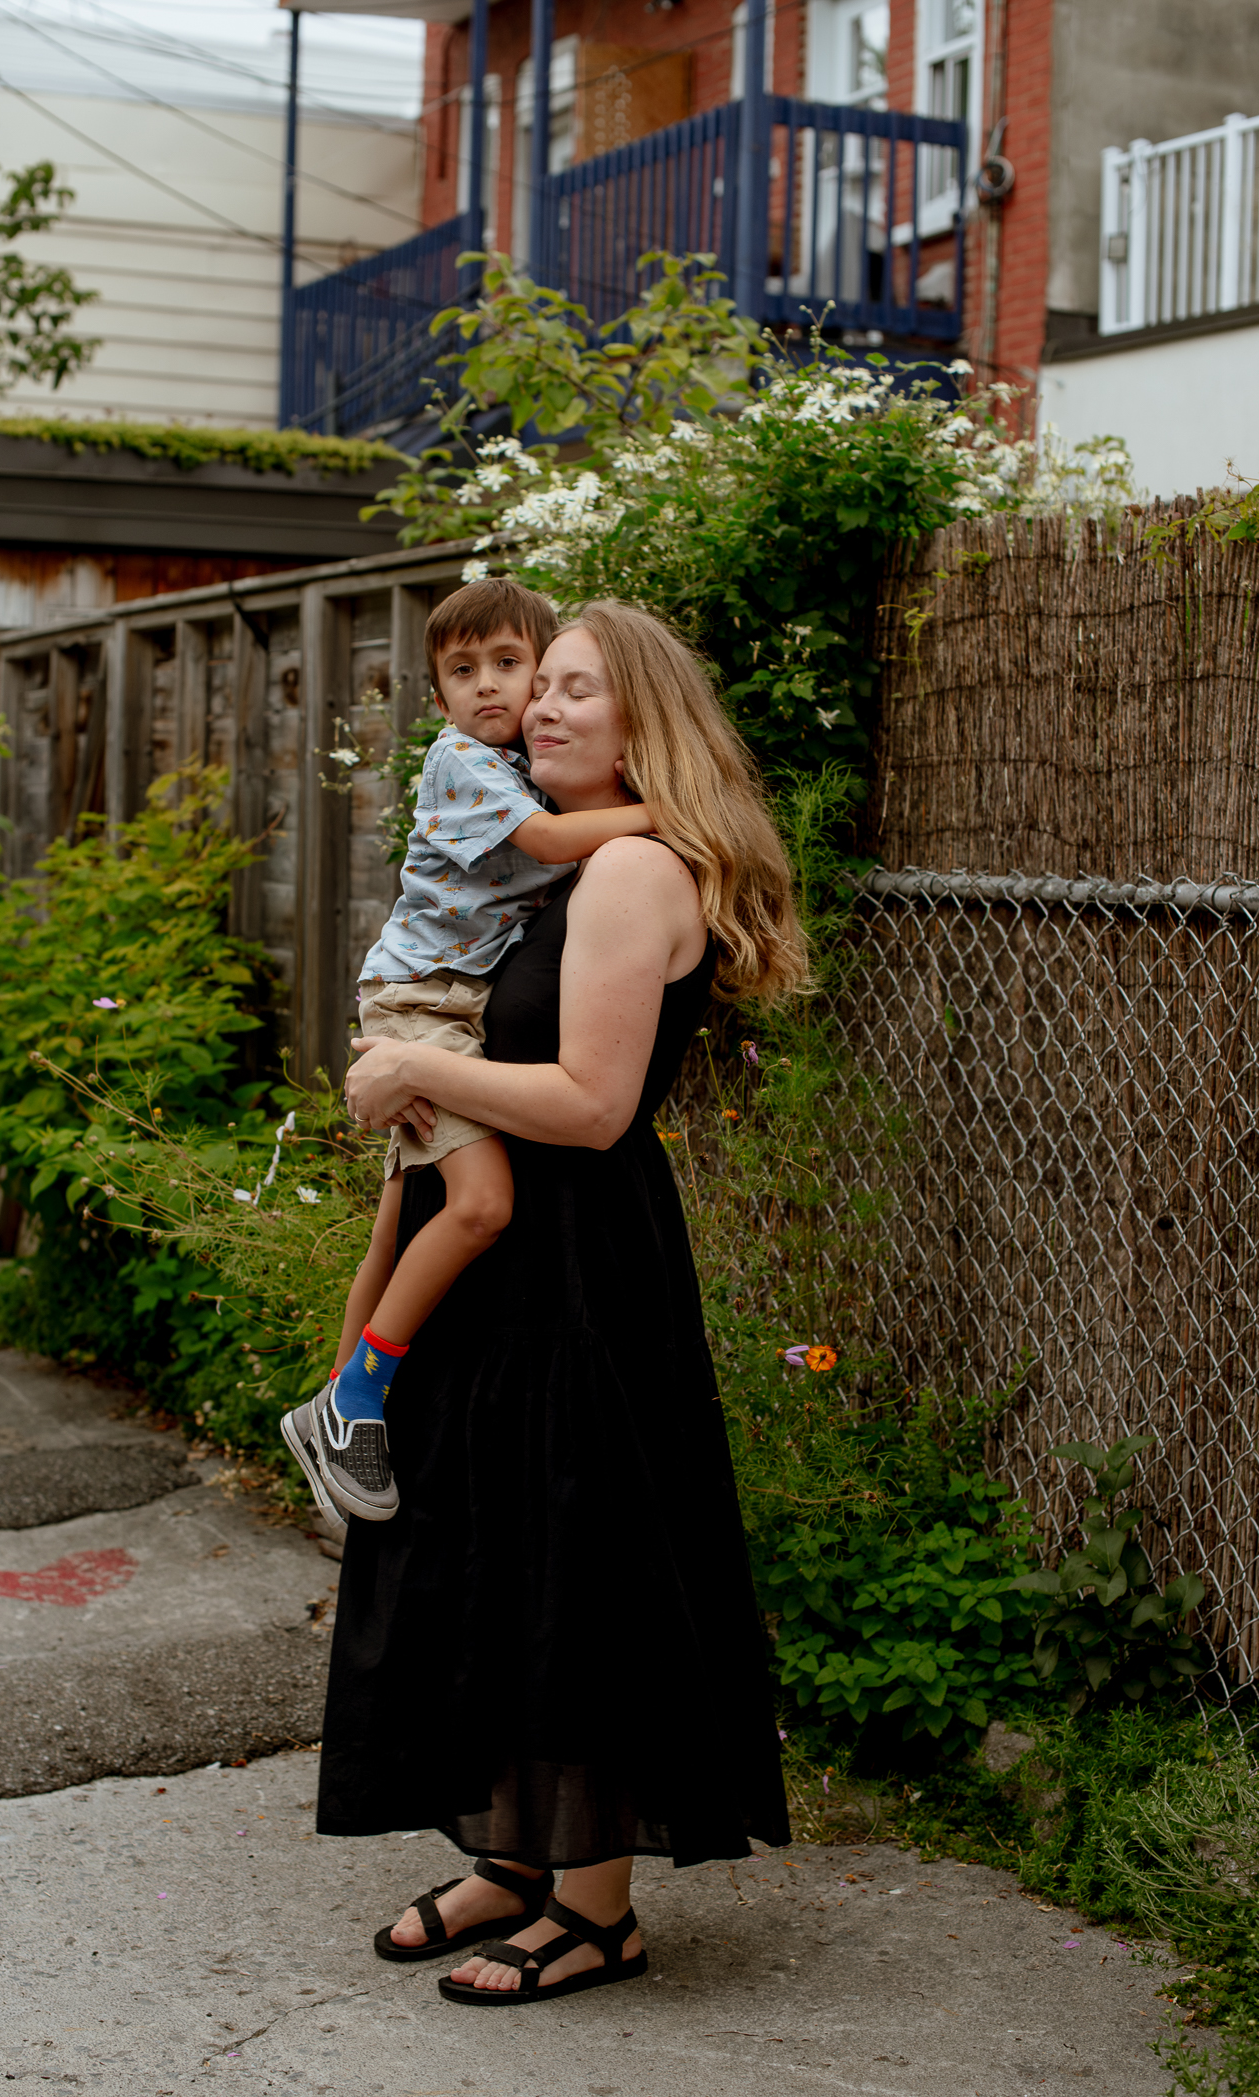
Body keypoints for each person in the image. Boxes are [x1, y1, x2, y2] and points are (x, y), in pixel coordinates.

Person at [317, 600, 808, 2007]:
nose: (542, 707)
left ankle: (596, 1907)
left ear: (641, 720)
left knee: (568, 1565)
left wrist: (401, 1073)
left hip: (578, 1265)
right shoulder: (540, 872)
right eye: (546, 685)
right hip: (502, 1262)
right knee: (485, 1551)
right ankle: (512, 1860)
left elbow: (589, 1107)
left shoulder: (629, 876)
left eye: (579, 690)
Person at [282, 578, 656, 1526]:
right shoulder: (466, 767)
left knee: (404, 1209)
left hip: (452, 1008)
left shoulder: (519, 761)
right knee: (483, 1202)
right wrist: (670, 815)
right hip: (422, 1009)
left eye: (508, 666)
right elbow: (551, 840)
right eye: (462, 671)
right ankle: (357, 1395)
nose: (490, 688)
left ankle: (334, 1397)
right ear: (437, 697)